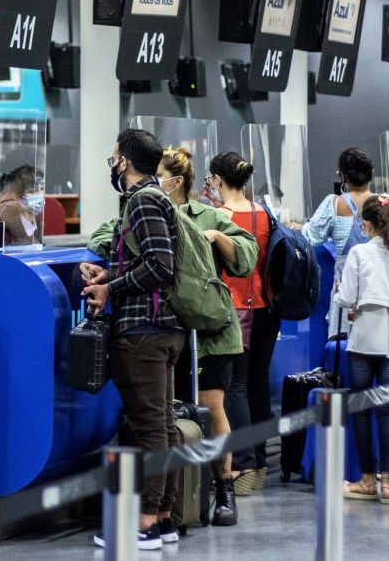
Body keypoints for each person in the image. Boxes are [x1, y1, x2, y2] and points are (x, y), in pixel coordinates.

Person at [89, 146, 258, 526]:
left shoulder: (197, 212)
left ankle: (216, 490)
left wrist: (216, 238)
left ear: (176, 181)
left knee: (202, 411)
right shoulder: (142, 205)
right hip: (176, 327)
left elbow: (245, 255)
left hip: (200, 329)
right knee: (167, 421)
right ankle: (167, 512)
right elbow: (107, 237)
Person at [81, 129, 184, 551]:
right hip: (164, 328)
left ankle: (143, 523)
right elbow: (149, 261)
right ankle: (163, 517)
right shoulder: (156, 198)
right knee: (163, 424)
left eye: (113, 156)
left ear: (124, 160)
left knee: (149, 428)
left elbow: (161, 265)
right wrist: (113, 275)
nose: (112, 163)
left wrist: (111, 290)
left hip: (145, 330)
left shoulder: (142, 200)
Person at [335, 195, 389, 504]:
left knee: (361, 410)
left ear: (367, 225)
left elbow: (346, 297)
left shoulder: (359, 252)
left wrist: (344, 294)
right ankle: (387, 483)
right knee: (388, 410)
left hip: (363, 340)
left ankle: (367, 480)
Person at [210, 152, 282, 495]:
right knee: (257, 386)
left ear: (218, 181)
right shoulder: (264, 214)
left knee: (234, 388)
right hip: (266, 307)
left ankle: (243, 463)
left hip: (236, 308)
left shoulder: (218, 218)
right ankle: (261, 461)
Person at [293, 148, 379, 337]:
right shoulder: (388, 203)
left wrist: (296, 227)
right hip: (382, 294)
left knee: (347, 351)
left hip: (347, 292)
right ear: (371, 173)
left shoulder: (334, 203)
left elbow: (312, 236)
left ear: (342, 177)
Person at [0, 165, 40, 246]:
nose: (39, 193)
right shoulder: (9, 211)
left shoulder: (36, 218)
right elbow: (25, 241)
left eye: (42, 189)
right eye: (32, 191)